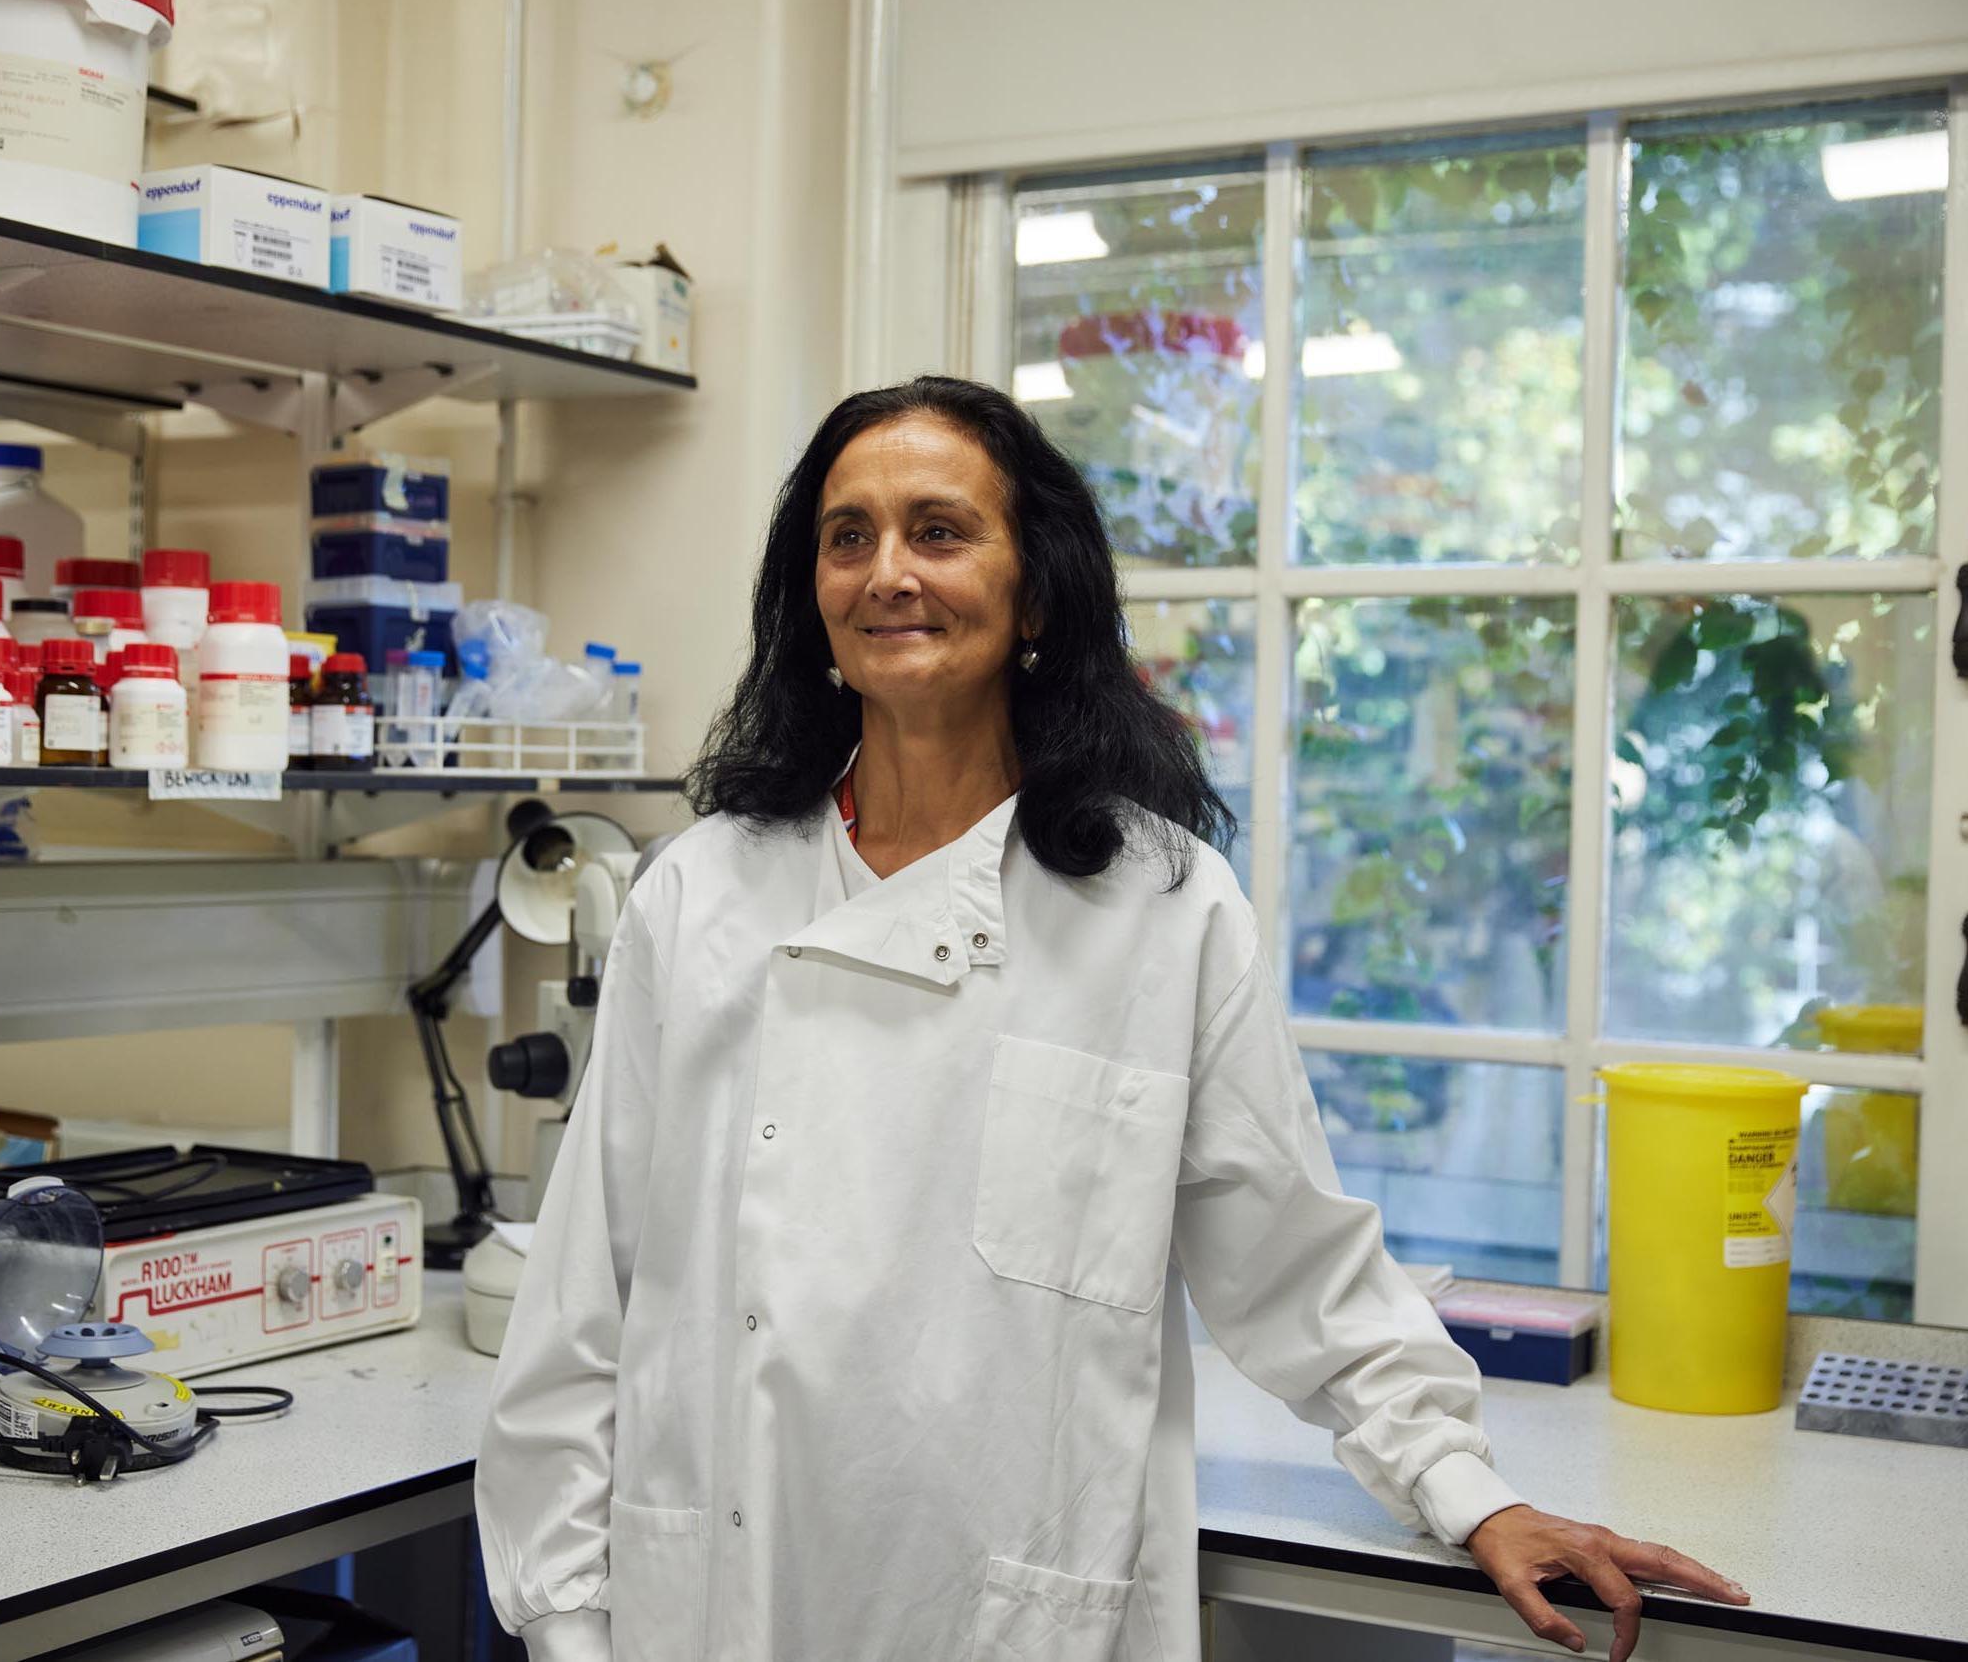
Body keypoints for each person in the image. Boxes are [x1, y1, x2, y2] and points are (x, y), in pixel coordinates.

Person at [474, 376, 1747, 1662]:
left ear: (1034, 597)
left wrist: (1469, 1491)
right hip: (726, 1597)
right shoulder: (700, 891)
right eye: (846, 537)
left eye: (938, 529)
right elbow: (585, 1299)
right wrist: (568, 1622)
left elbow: (1291, 1256)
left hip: (1014, 1606)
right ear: (811, 601)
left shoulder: (1159, 905)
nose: (887, 572)